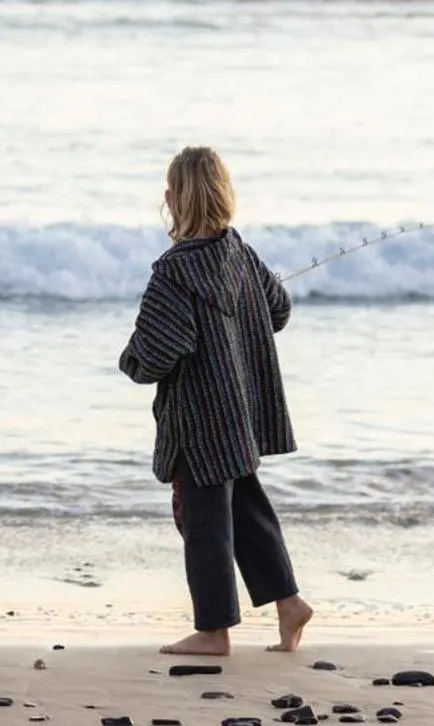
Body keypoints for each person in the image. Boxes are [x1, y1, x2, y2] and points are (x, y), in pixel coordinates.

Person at [120, 146, 313, 656]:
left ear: (171, 199)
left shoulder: (173, 272)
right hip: (240, 414)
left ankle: (213, 631)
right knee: (247, 511)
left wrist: (131, 361)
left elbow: (157, 352)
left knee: (203, 522)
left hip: (200, 423)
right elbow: (279, 309)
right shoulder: (239, 253)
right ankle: (289, 603)